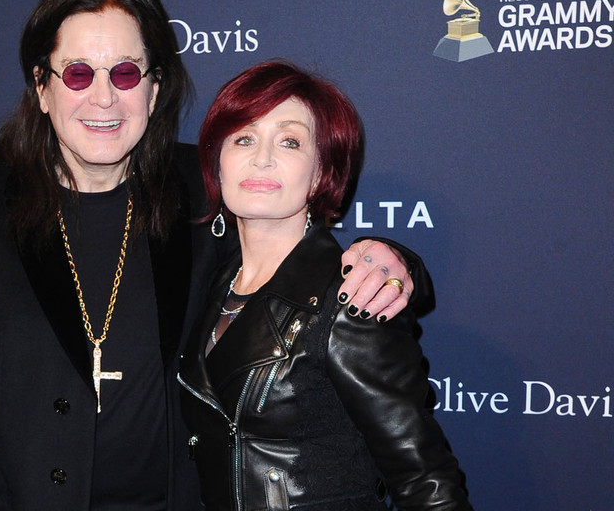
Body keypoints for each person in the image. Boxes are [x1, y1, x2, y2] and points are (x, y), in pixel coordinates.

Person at [0, 0, 424, 511]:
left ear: (153, 88)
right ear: (42, 87)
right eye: (78, 74)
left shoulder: (207, 187)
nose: (104, 97)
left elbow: (304, 263)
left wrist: (396, 263)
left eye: (126, 73)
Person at [179, 60, 471, 510]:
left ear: (320, 173)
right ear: (218, 164)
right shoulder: (216, 280)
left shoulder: (355, 295)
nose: (261, 157)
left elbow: (424, 481)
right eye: (243, 138)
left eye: (290, 141)